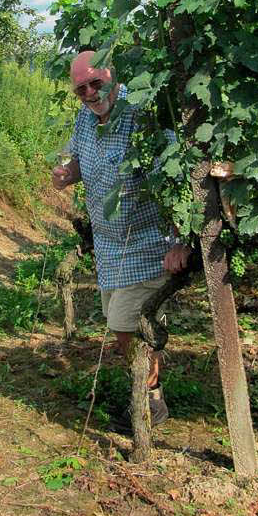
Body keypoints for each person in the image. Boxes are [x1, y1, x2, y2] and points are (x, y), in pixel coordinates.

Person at [52, 50, 191, 426]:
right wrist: (69, 174)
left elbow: (177, 177)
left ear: (111, 76)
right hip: (109, 246)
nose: (91, 94)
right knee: (121, 327)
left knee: (126, 323)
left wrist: (183, 239)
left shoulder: (142, 114)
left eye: (96, 84)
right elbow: (80, 160)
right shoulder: (85, 120)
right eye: (81, 90)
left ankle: (150, 403)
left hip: (149, 241)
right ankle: (146, 395)